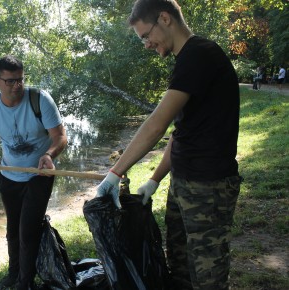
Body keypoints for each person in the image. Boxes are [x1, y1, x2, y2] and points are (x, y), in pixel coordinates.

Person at [96, 0, 242, 289]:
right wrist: (154, 179)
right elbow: (181, 133)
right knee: (180, 264)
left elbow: (156, 124)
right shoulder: (187, 60)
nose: (147, 44)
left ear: (164, 19)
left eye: (145, 36)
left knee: (207, 274)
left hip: (208, 186)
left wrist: (116, 172)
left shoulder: (199, 55)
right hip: (184, 180)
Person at [0, 55, 67, 290]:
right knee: (13, 229)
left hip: (38, 176)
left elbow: (60, 137)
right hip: (8, 177)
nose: (17, 86)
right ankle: (13, 275)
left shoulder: (39, 100)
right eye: (10, 81)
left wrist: (49, 155)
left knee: (27, 231)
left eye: (20, 80)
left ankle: (25, 282)